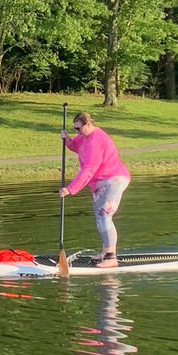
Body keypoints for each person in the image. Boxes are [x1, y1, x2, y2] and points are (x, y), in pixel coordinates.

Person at [59, 111, 130, 268]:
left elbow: (89, 169)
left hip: (114, 180)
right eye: (75, 129)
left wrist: (70, 189)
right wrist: (68, 140)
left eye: (78, 129)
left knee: (104, 214)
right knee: (100, 217)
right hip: (100, 182)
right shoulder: (85, 137)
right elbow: (77, 146)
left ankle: (111, 257)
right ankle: (106, 252)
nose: (77, 132)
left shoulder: (97, 140)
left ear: (88, 124)